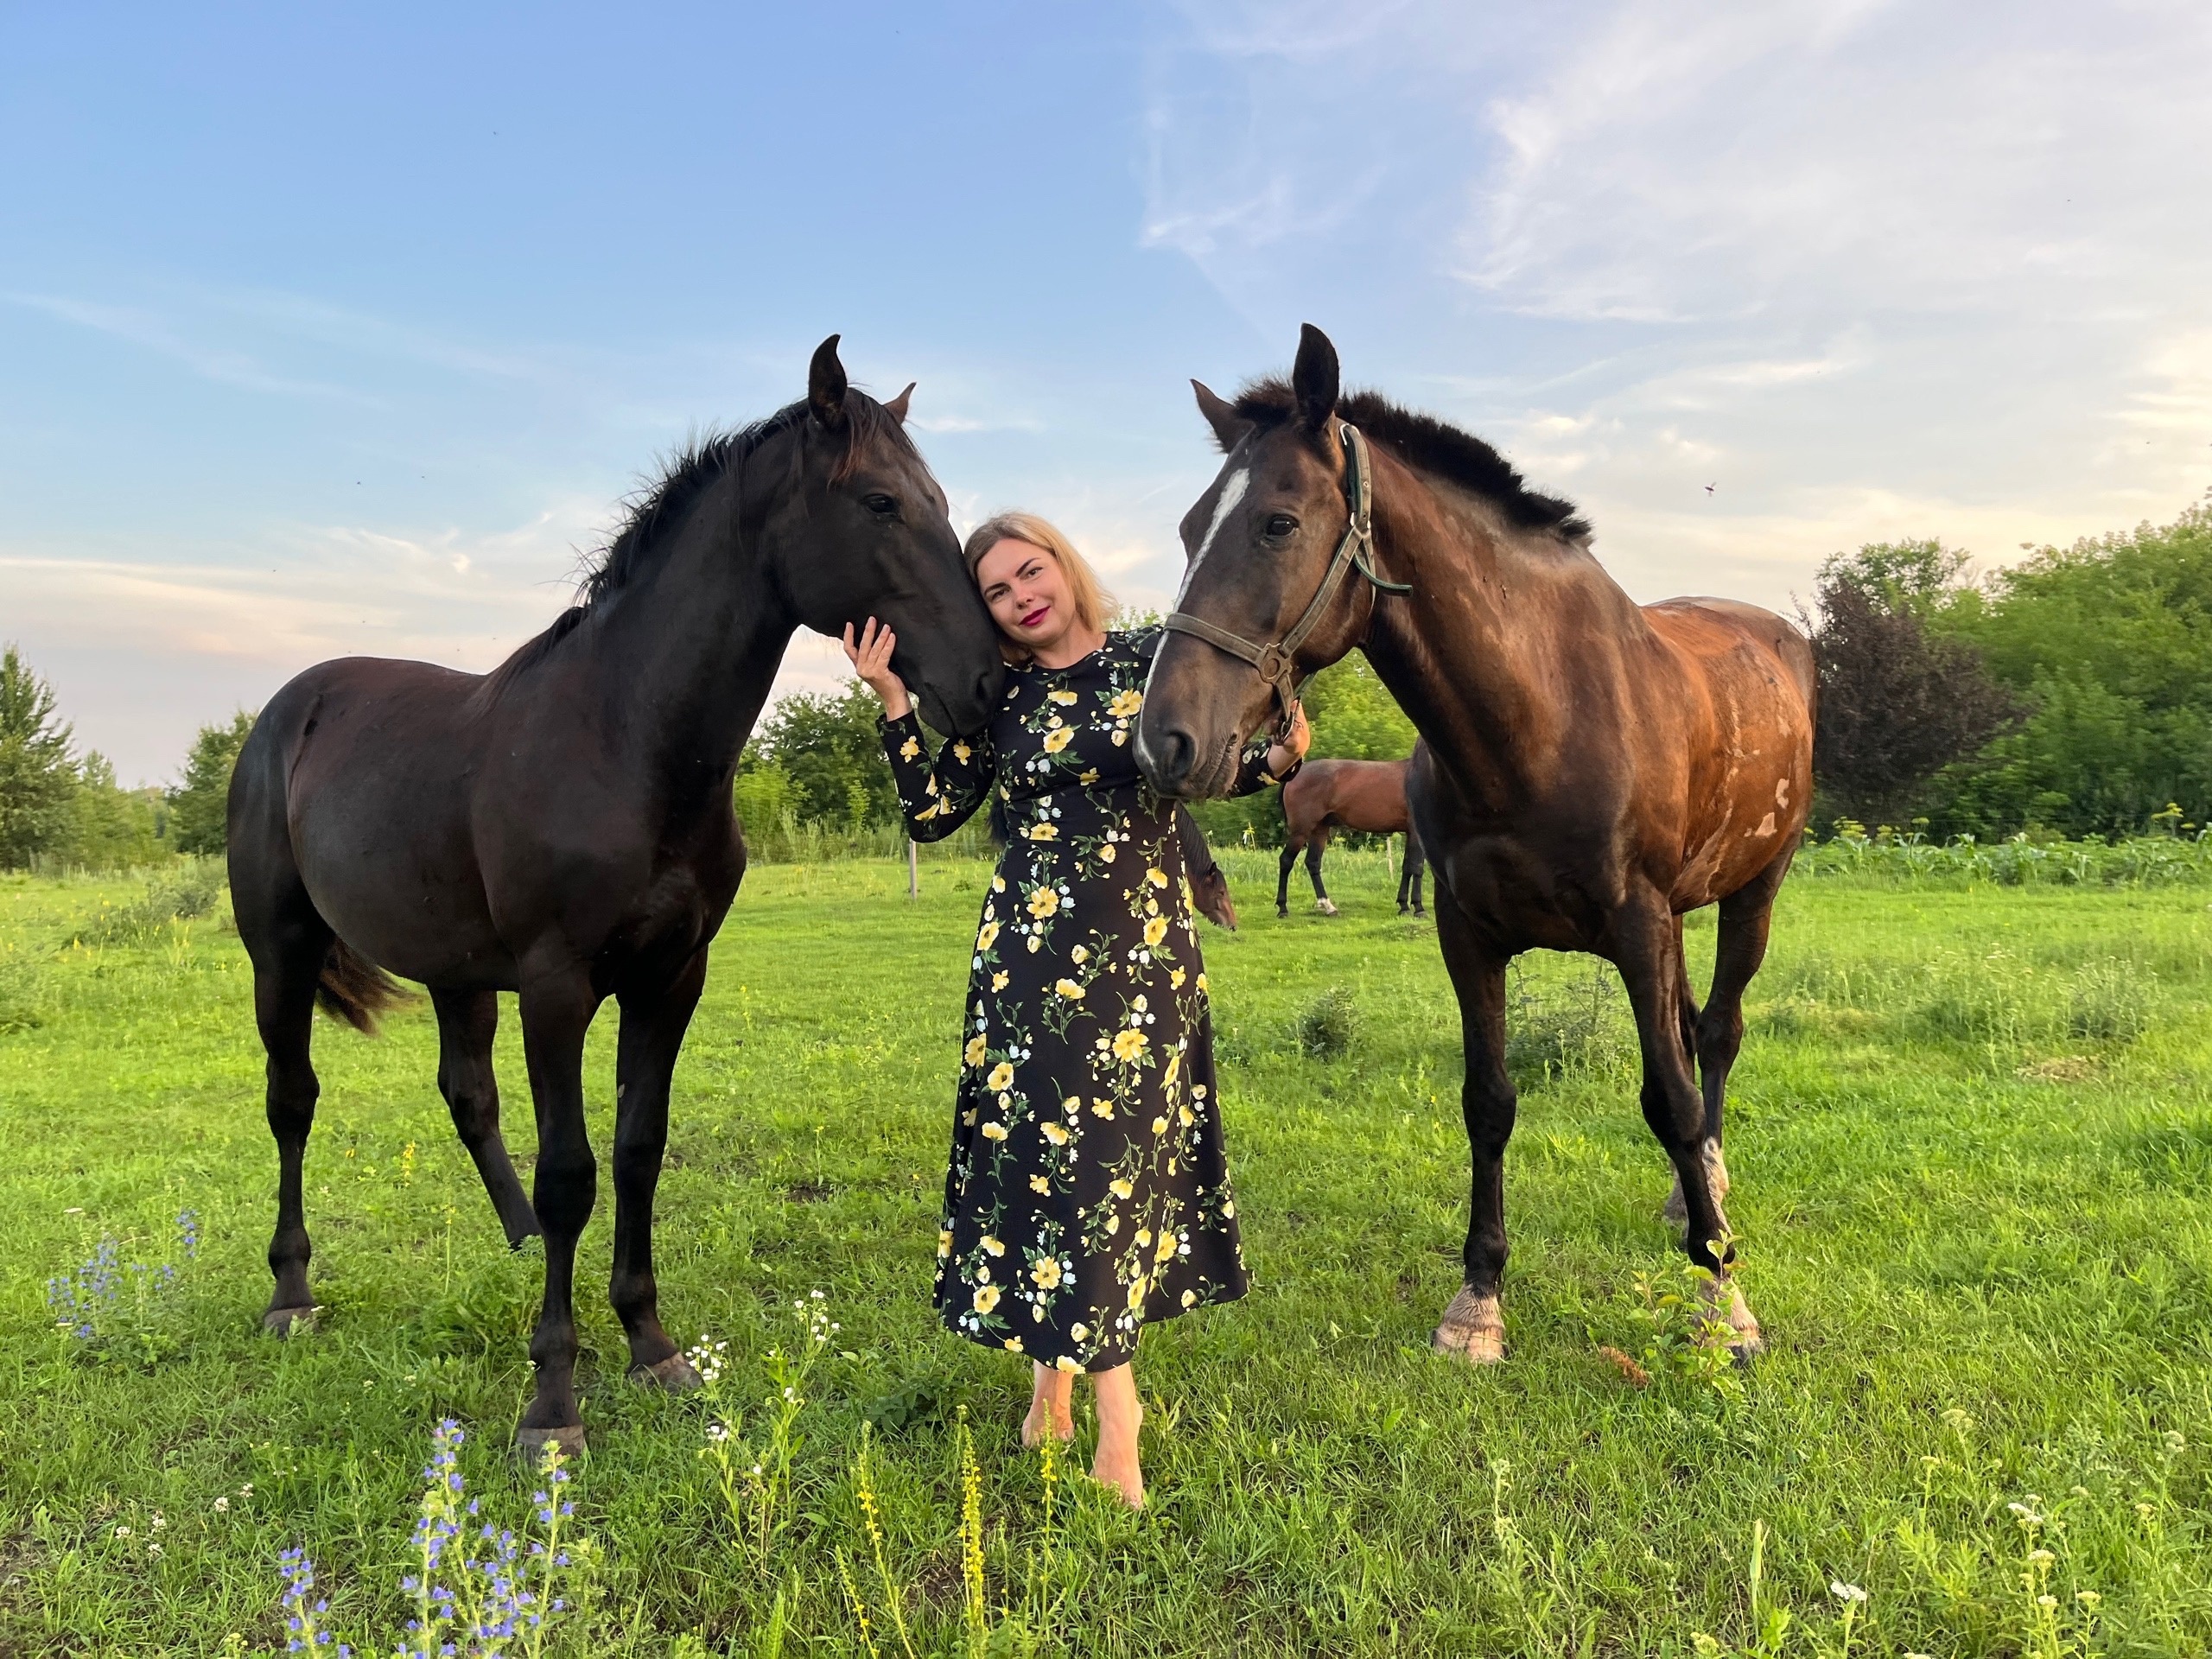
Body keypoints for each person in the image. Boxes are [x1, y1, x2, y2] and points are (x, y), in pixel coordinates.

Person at [842, 512, 1306, 1507]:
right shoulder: (997, 694)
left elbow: (1198, 773)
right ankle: (1077, 1406)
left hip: (1142, 963)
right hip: (1026, 963)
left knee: (1111, 1172)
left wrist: (1275, 763)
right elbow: (932, 811)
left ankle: (1101, 1416)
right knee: (1047, 1168)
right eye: (999, 593)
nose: (1020, 598)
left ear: (1063, 563)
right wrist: (891, 701)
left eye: (1029, 571)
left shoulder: (1152, 662)